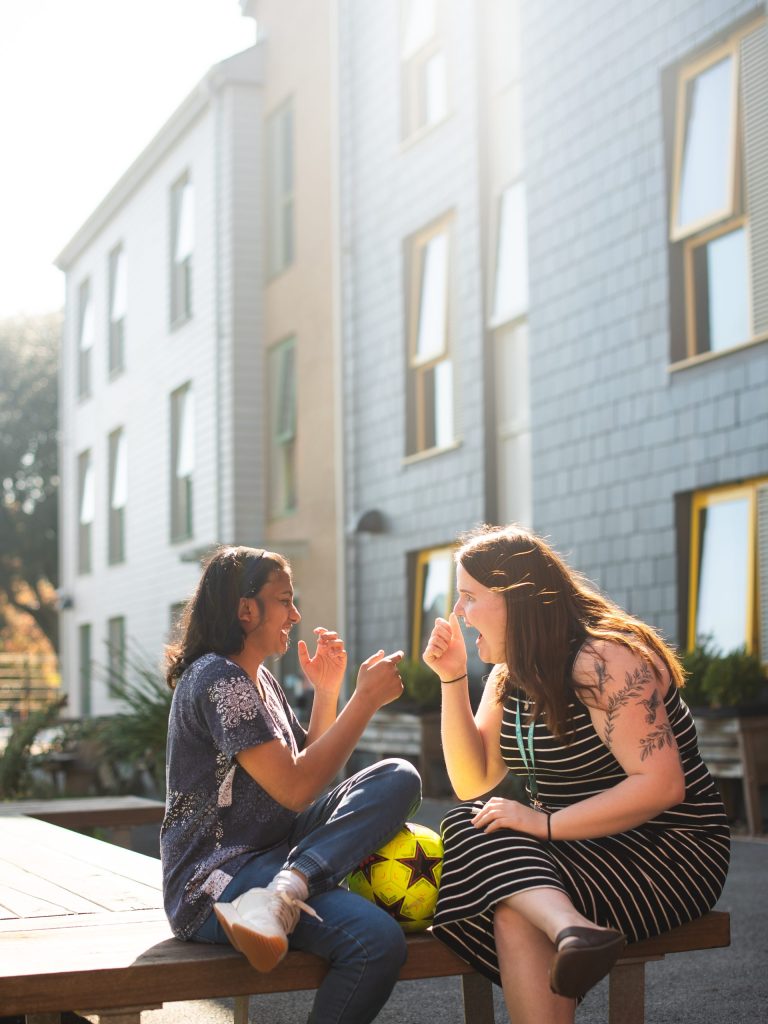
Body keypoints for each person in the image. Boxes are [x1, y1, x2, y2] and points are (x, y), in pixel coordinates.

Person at [423, 524, 730, 1024]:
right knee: (473, 821)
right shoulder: (509, 674)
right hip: (578, 845)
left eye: (469, 597)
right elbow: (471, 780)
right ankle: (571, 930)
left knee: (508, 888)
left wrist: (543, 824)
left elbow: (662, 785)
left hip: (666, 850)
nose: (458, 612)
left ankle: (568, 927)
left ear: (515, 599)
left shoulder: (603, 659)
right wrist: (452, 678)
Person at [161, 545, 421, 1024]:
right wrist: (363, 702)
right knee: (375, 942)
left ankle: (288, 887)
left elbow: (306, 774)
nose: (296, 615)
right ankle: (285, 887)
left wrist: (328, 691)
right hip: (214, 881)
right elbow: (296, 788)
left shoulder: (258, 678)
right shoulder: (219, 678)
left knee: (398, 777)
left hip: (276, 857)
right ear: (246, 609)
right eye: (285, 600)